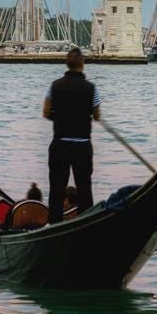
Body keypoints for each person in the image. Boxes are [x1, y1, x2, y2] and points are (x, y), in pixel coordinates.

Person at [41, 47, 99, 218]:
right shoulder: (91, 88)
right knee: (84, 187)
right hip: (82, 145)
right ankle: (86, 221)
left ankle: (55, 223)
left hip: (60, 144)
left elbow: (45, 112)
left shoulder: (54, 86)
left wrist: (60, 118)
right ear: (82, 64)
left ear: (67, 64)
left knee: (57, 188)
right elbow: (97, 115)